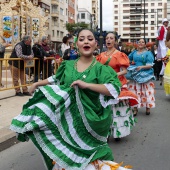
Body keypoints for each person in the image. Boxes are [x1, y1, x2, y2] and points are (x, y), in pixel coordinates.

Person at [10, 29, 133, 170]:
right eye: (81, 39)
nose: (86, 41)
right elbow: (55, 79)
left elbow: (113, 89)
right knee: (67, 159)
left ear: (95, 44)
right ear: (76, 44)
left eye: (90, 38)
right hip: (68, 120)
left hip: (91, 120)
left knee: (90, 162)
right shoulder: (67, 65)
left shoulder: (101, 69)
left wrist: (86, 85)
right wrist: (37, 83)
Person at [96, 32, 138, 140]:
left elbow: (124, 71)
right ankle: (106, 132)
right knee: (105, 108)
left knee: (116, 108)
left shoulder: (119, 54)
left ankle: (117, 131)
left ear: (115, 41)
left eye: (111, 38)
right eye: (107, 38)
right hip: (104, 83)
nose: (108, 40)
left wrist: (114, 75)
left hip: (117, 83)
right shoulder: (101, 55)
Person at [126, 38, 155, 116]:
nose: (141, 43)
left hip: (146, 74)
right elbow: (127, 59)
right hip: (135, 73)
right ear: (137, 43)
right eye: (139, 42)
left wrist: (142, 67)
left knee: (146, 91)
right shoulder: (134, 52)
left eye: (143, 42)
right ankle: (135, 109)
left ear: (145, 44)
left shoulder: (148, 53)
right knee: (135, 91)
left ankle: (148, 107)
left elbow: (150, 65)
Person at [156, 18, 169, 85]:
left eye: (167, 22)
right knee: (165, 57)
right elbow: (156, 33)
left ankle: (162, 73)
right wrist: (157, 37)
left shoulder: (168, 29)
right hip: (162, 41)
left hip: (166, 42)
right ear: (163, 23)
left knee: (167, 55)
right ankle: (162, 73)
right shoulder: (160, 27)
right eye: (165, 22)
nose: (166, 23)